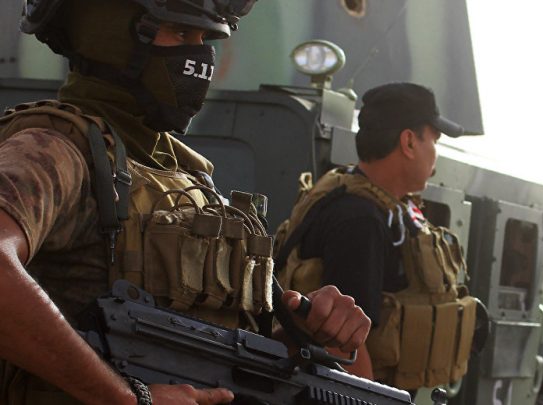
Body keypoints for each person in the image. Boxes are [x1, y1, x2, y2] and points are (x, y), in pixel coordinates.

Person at [0, 0, 370, 404]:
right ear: (109, 36)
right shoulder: (55, 152)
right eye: (179, 32)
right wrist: (126, 398)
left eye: (204, 37)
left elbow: (195, 356)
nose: (200, 56)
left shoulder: (187, 175)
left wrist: (298, 338)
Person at [275, 82, 479, 391]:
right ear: (409, 142)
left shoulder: (362, 198)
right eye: (434, 140)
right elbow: (344, 344)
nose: (435, 155)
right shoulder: (360, 220)